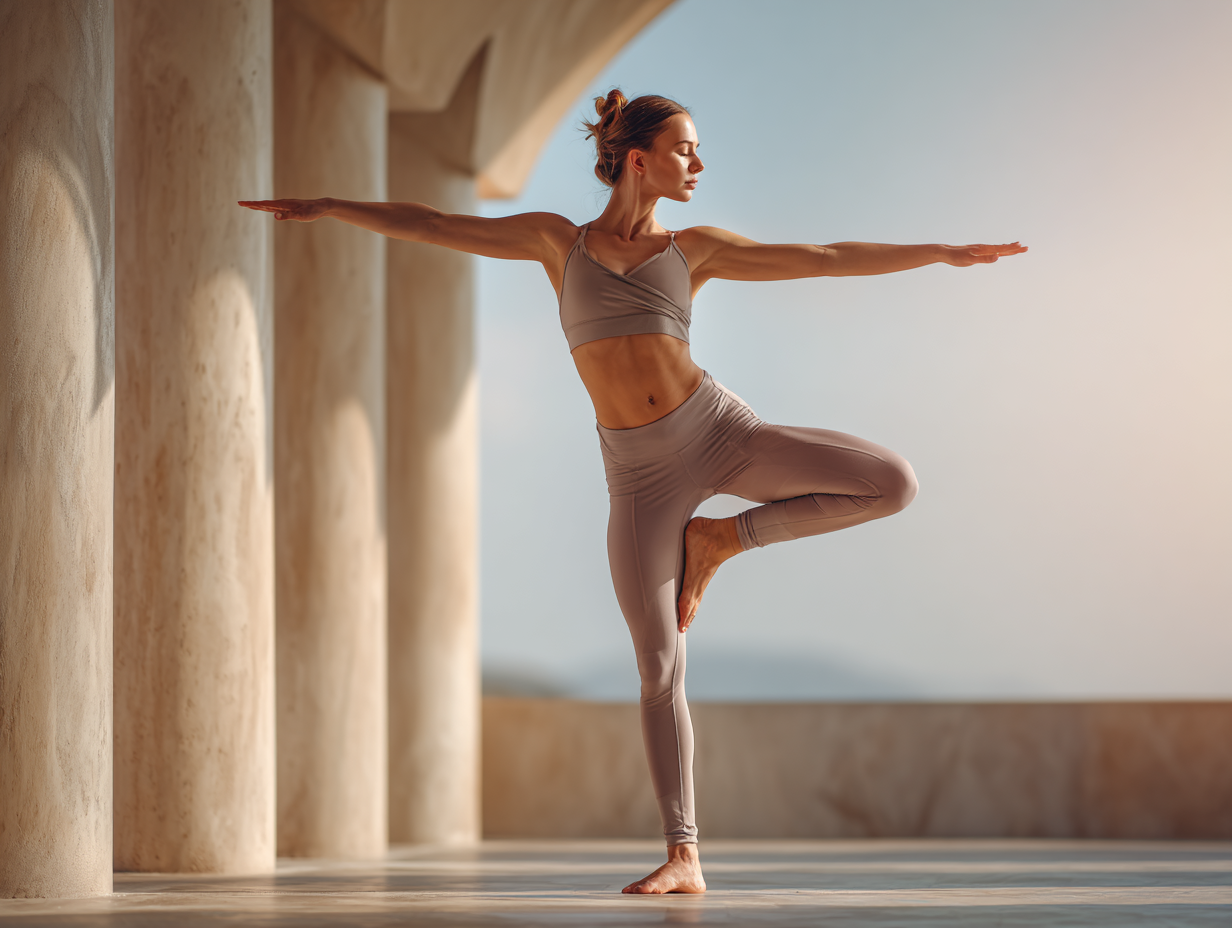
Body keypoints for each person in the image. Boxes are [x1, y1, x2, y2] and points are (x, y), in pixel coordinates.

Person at [240, 88, 1026, 894]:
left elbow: (823, 257)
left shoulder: (696, 250)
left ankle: (723, 538)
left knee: (892, 482)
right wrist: (331, 206)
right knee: (657, 666)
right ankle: (684, 853)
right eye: (686, 149)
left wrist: (938, 252)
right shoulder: (556, 242)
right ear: (639, 159)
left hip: (719, 433)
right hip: (640, 476)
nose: (700, 163)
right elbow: (437, 224)